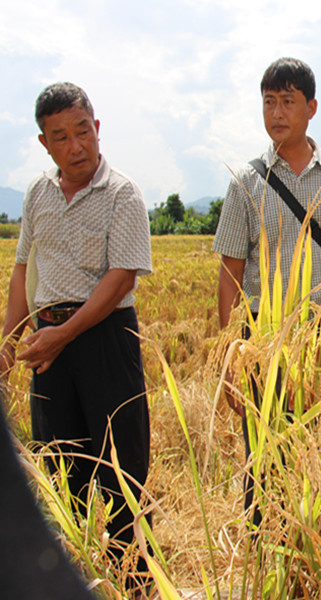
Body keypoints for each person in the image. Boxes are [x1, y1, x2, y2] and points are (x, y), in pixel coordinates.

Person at [0, 82, 152, 593]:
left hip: (104, 339)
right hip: (48, 348)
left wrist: (62, 334)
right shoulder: (38, 194)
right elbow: (24, 271)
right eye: (60, 137)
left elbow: (121, 279)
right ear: (44, 143)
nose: (76, 146)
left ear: (97, 127)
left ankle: (134, 584)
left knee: (121, 468)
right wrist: (9, 341)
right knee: (61, 464)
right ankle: (78, 581)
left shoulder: (123, 194)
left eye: (83, 131)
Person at [214, 57, 321, 523]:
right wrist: (231, 354)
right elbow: (230, 274)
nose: (277, 113)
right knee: (262, 453)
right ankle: (264, 557)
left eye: (288, 102)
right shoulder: (246, 182)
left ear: (311, 108)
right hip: (265, 336)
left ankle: (315, 549)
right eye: (269, 102)